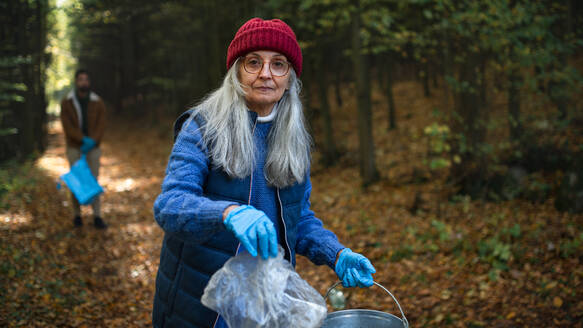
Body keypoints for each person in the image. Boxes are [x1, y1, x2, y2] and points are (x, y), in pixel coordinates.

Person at [152, 18, 376, 328]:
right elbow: (170, 205)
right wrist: (227, 213)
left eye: (278, 64)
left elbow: (300, 219)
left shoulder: (293, 141)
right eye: (253, 62)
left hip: (266, 304)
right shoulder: (202, 128)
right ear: (236, 73)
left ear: (290, 78)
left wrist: (335, 254)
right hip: (202, 307)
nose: (266, 73)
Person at [60, 69, 107, 229]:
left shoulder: (97, 102)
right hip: (74, 147)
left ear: (89, 82)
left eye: (86, 79)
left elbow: (101, 124)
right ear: (76, 81)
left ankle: (97, 216)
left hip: (93, 147)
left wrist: (93, 140)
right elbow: (67, 125)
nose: (83, 82)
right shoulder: (67, 102)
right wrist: (82, 139)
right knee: (76, 180)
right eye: (81, 79)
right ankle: (77, 215)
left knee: (93, 180)